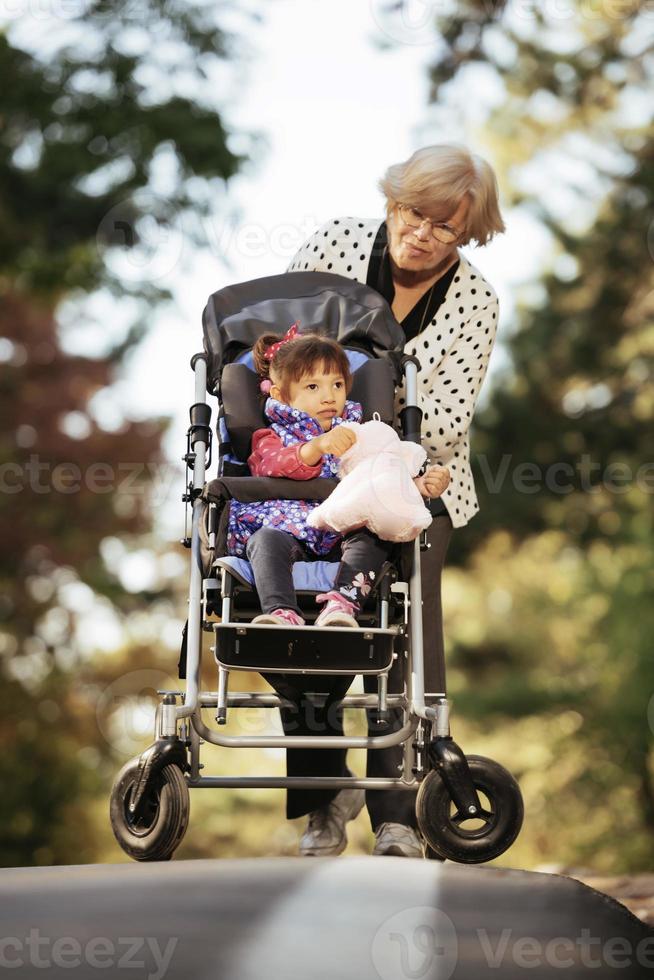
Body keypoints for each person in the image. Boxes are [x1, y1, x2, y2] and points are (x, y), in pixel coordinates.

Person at [286, 143, 505, 857]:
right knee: (298, 622)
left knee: (401, 638)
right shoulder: (335, 243)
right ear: (393, 201)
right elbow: (277, 356)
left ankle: (399, 813)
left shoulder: (476, 301)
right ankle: (324, 794)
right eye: (414, 212)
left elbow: (444, 419)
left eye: (445, 227)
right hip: (311, 476)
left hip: (416, 483)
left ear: (467, 234)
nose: (421, 234)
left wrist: (351, 414)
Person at [228, 327, 449, 853]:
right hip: (288, 524)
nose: (328, 395)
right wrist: (315, 448)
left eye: (336, 383)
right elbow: (270, 467)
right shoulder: (272, 434)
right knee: (265, 541)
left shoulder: (364, 432)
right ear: (279, 395)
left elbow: (385, 483)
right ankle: (279, 612)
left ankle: (342, 603)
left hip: (346, 534)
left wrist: (420, 487)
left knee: (374, 535)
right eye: (311, 386)